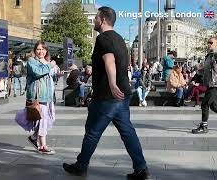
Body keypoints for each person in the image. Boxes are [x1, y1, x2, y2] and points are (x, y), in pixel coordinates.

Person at [63, 7, 149, 179]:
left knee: (92, 132)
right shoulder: (119, 39)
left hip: (107, 97)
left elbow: (109, 61)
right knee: (127, 132)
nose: (94, 21)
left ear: (102, 20)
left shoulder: (103, 38)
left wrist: (112, 84)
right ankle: (141, 168)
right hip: (123, 95)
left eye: (95, 18)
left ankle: (81, 165)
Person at [26, 40, 56, 154]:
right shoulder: (31, 61)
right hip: (38, 96)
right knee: (43, 121)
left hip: (48, 95)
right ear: (35, 50)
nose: (41, 51)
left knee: (48, 119)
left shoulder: (46, 61)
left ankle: (34, 137)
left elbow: (50, 75)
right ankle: (43, 146)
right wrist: (50, 65)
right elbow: (38, 72)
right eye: (38, 49)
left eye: (43, 49)